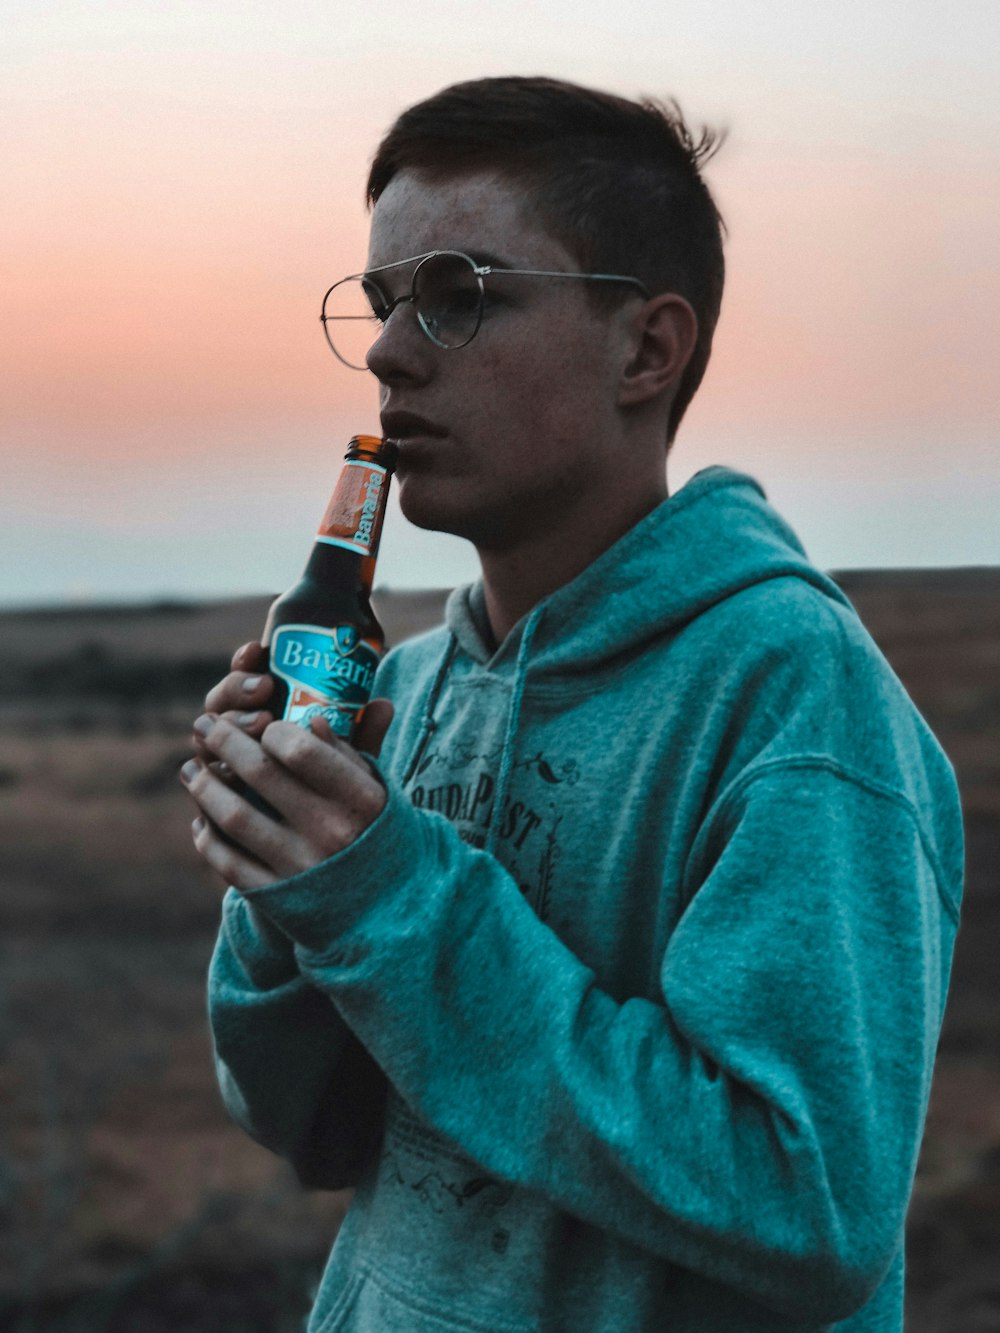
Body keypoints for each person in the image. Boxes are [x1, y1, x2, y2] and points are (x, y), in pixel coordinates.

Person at [182, 76, 963, 1332]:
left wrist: (390, 899)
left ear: (647, 349)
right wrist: (286, 891)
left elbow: (809, 1210)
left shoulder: (794, 701)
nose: (387, 348)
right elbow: (309, 1128)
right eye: (384, 304)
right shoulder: (410, 685)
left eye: (456, 295)